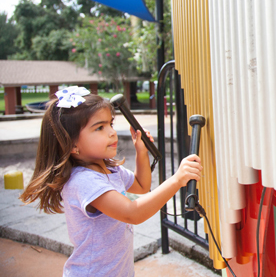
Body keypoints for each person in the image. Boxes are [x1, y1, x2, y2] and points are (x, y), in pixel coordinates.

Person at [19, 86, 202, 276]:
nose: (112, 132)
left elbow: (141, 186)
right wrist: (177, 180)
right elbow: (133, 213)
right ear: (72, 144)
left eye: (110, 124)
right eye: (99, 127)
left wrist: (141, 152)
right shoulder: (84, 181)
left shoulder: (110, 169)